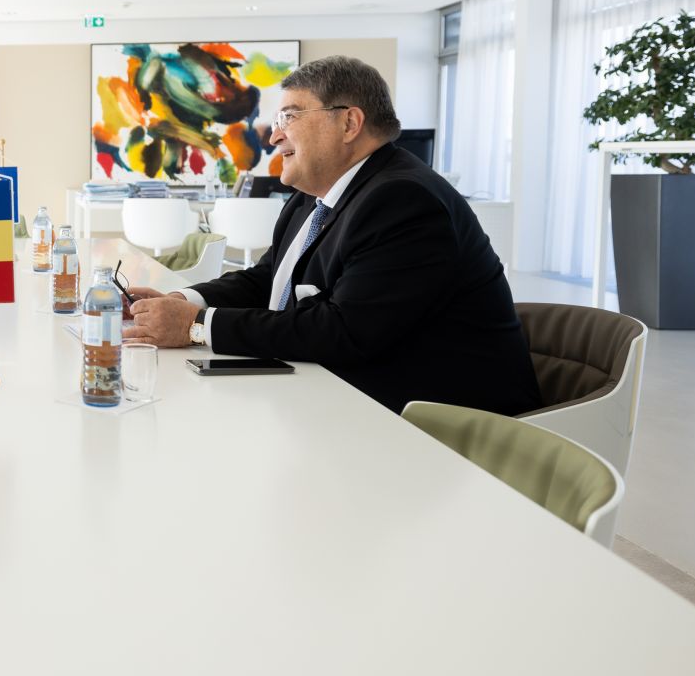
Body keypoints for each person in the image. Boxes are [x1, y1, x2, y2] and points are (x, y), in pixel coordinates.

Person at [123, 55, 541, 416]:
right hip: (336, 396)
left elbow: (345, 331)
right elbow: (268, 279)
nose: (273, 134)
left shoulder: (405, 200)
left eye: (290, 116)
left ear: (349, 122)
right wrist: (182, 302)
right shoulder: (313, 198)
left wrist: (196, 326)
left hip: (439, 428)